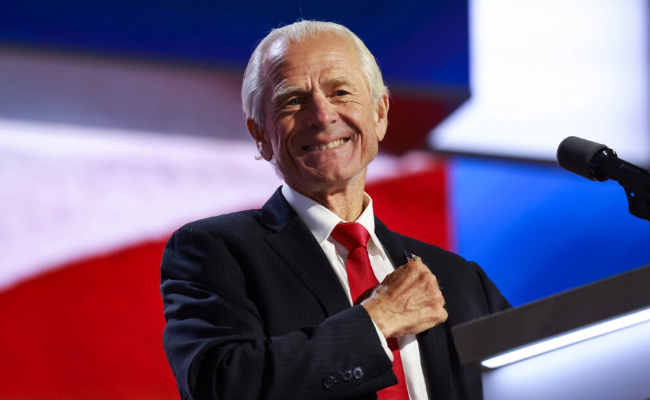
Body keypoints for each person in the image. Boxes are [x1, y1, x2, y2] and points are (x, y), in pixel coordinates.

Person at [160, 20, 510, 400]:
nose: (322, 115)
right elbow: (222, 386)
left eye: (340, 92)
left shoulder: (461, 280)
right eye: (293, 100)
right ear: (260, 134)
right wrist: (378, 319)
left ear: (379, 113)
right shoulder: (215, 252)